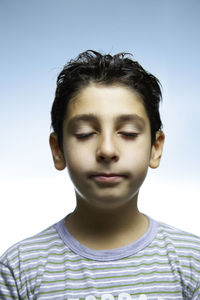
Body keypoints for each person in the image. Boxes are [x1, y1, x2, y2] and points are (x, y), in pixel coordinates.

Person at [0, 50, 200, 300]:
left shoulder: (193, 263)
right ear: (58, 149)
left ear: (155, 148)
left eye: (127, 133)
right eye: (84, 133)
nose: (107, 150)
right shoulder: (18, 270)